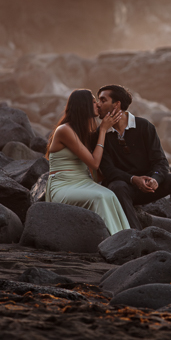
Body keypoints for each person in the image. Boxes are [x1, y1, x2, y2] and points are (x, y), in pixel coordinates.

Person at [94, 84, 171, 250]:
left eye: (103, 100)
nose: (98, 104)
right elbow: (108, 170)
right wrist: (133, 179)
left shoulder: (144, 127)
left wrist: (155, 179)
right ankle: (138, 238)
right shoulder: (102, 133)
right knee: (116, 186)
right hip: (124, 187)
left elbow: (161, 162)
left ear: (117, 104)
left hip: (148, 185)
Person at [45, 89, 130, 235]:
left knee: (110, 195)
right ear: (83, 105)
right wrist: (103, 130)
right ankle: (113, 241)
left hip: (84, 181)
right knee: (99, 197)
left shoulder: (86, 130)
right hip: (64, 185)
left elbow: (95, 171)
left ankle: (125, 239)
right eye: (93, 101)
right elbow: (94, 163)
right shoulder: (64, 130)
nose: (97, 104)